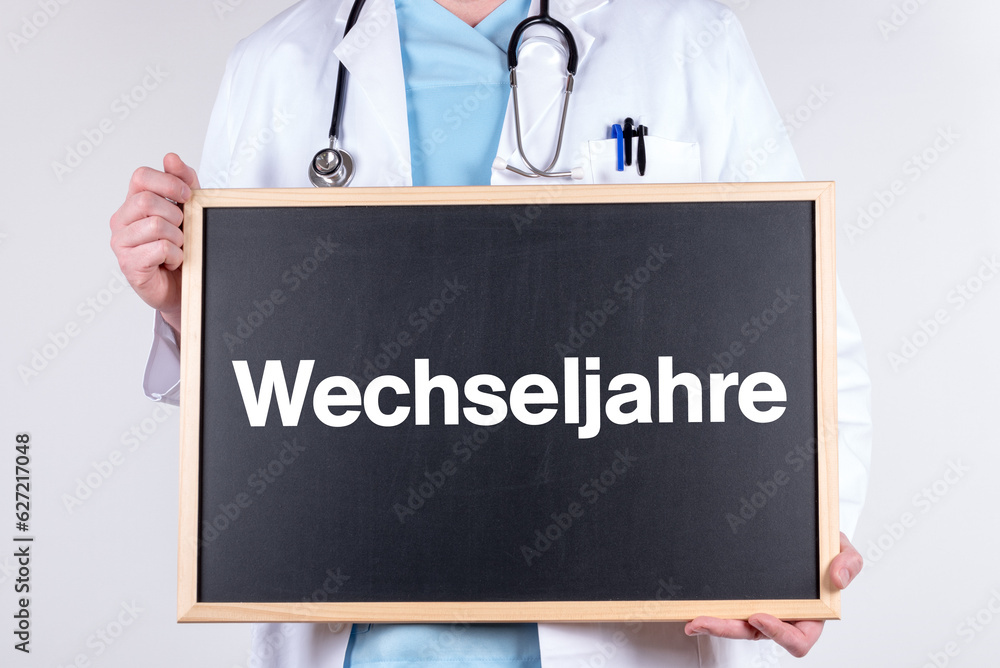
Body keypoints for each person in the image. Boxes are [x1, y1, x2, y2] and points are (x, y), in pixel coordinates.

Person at [109, 0, 870, 665]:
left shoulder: (687, 42)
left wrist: (794, 551)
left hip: (621, 631)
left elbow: (799, 329)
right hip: (364, 640)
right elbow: (272, 395)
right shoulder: (275, 66)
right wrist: (186, 306)